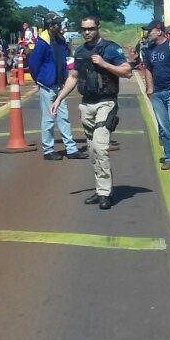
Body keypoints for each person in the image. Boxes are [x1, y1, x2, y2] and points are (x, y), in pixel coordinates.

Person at [51, 16, 132, 210]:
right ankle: (100, 189)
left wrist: (104, 64)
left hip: (106, 103)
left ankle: (105, 193)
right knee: (93, 150)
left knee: (101, 147)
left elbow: (127, 70)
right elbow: (74, 76)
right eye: (84, 29)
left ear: (98, 28)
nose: (87, 32)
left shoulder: (111, 48)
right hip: (87, 104)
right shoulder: (80, 51)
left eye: (91, 28)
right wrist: (59, 98)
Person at [29, 12, 85, 161]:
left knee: (64, 117)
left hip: (60, 85)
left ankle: (71, 149)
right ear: (50, 26)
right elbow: (33, 64)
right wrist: (40, 80)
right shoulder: (43, 42)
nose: (60, 26)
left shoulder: (60, 41)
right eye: (58, 24)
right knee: (48, 119)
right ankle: (48, 150)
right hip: (47, 86)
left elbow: (65, 58)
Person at [141, 20, 170, 171]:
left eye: (150, 31)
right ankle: (169, 157)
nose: (148, 34)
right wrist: (150, 88)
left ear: (159, 31)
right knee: (164, 127)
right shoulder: (148, 50)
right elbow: (148, 69)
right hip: (157, 93)